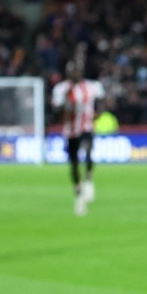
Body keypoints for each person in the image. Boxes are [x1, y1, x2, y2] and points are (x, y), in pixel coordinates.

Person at [50, 62, 105, 216]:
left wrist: (98, 113)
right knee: (73, 163)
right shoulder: (61, 89)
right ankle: (78, 192)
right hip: (71, 130)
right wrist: (66, 99)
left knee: (88, 151)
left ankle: (88, 179)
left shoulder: (92, 86)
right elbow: (56, 108)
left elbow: (100, 103)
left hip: (87, 126)